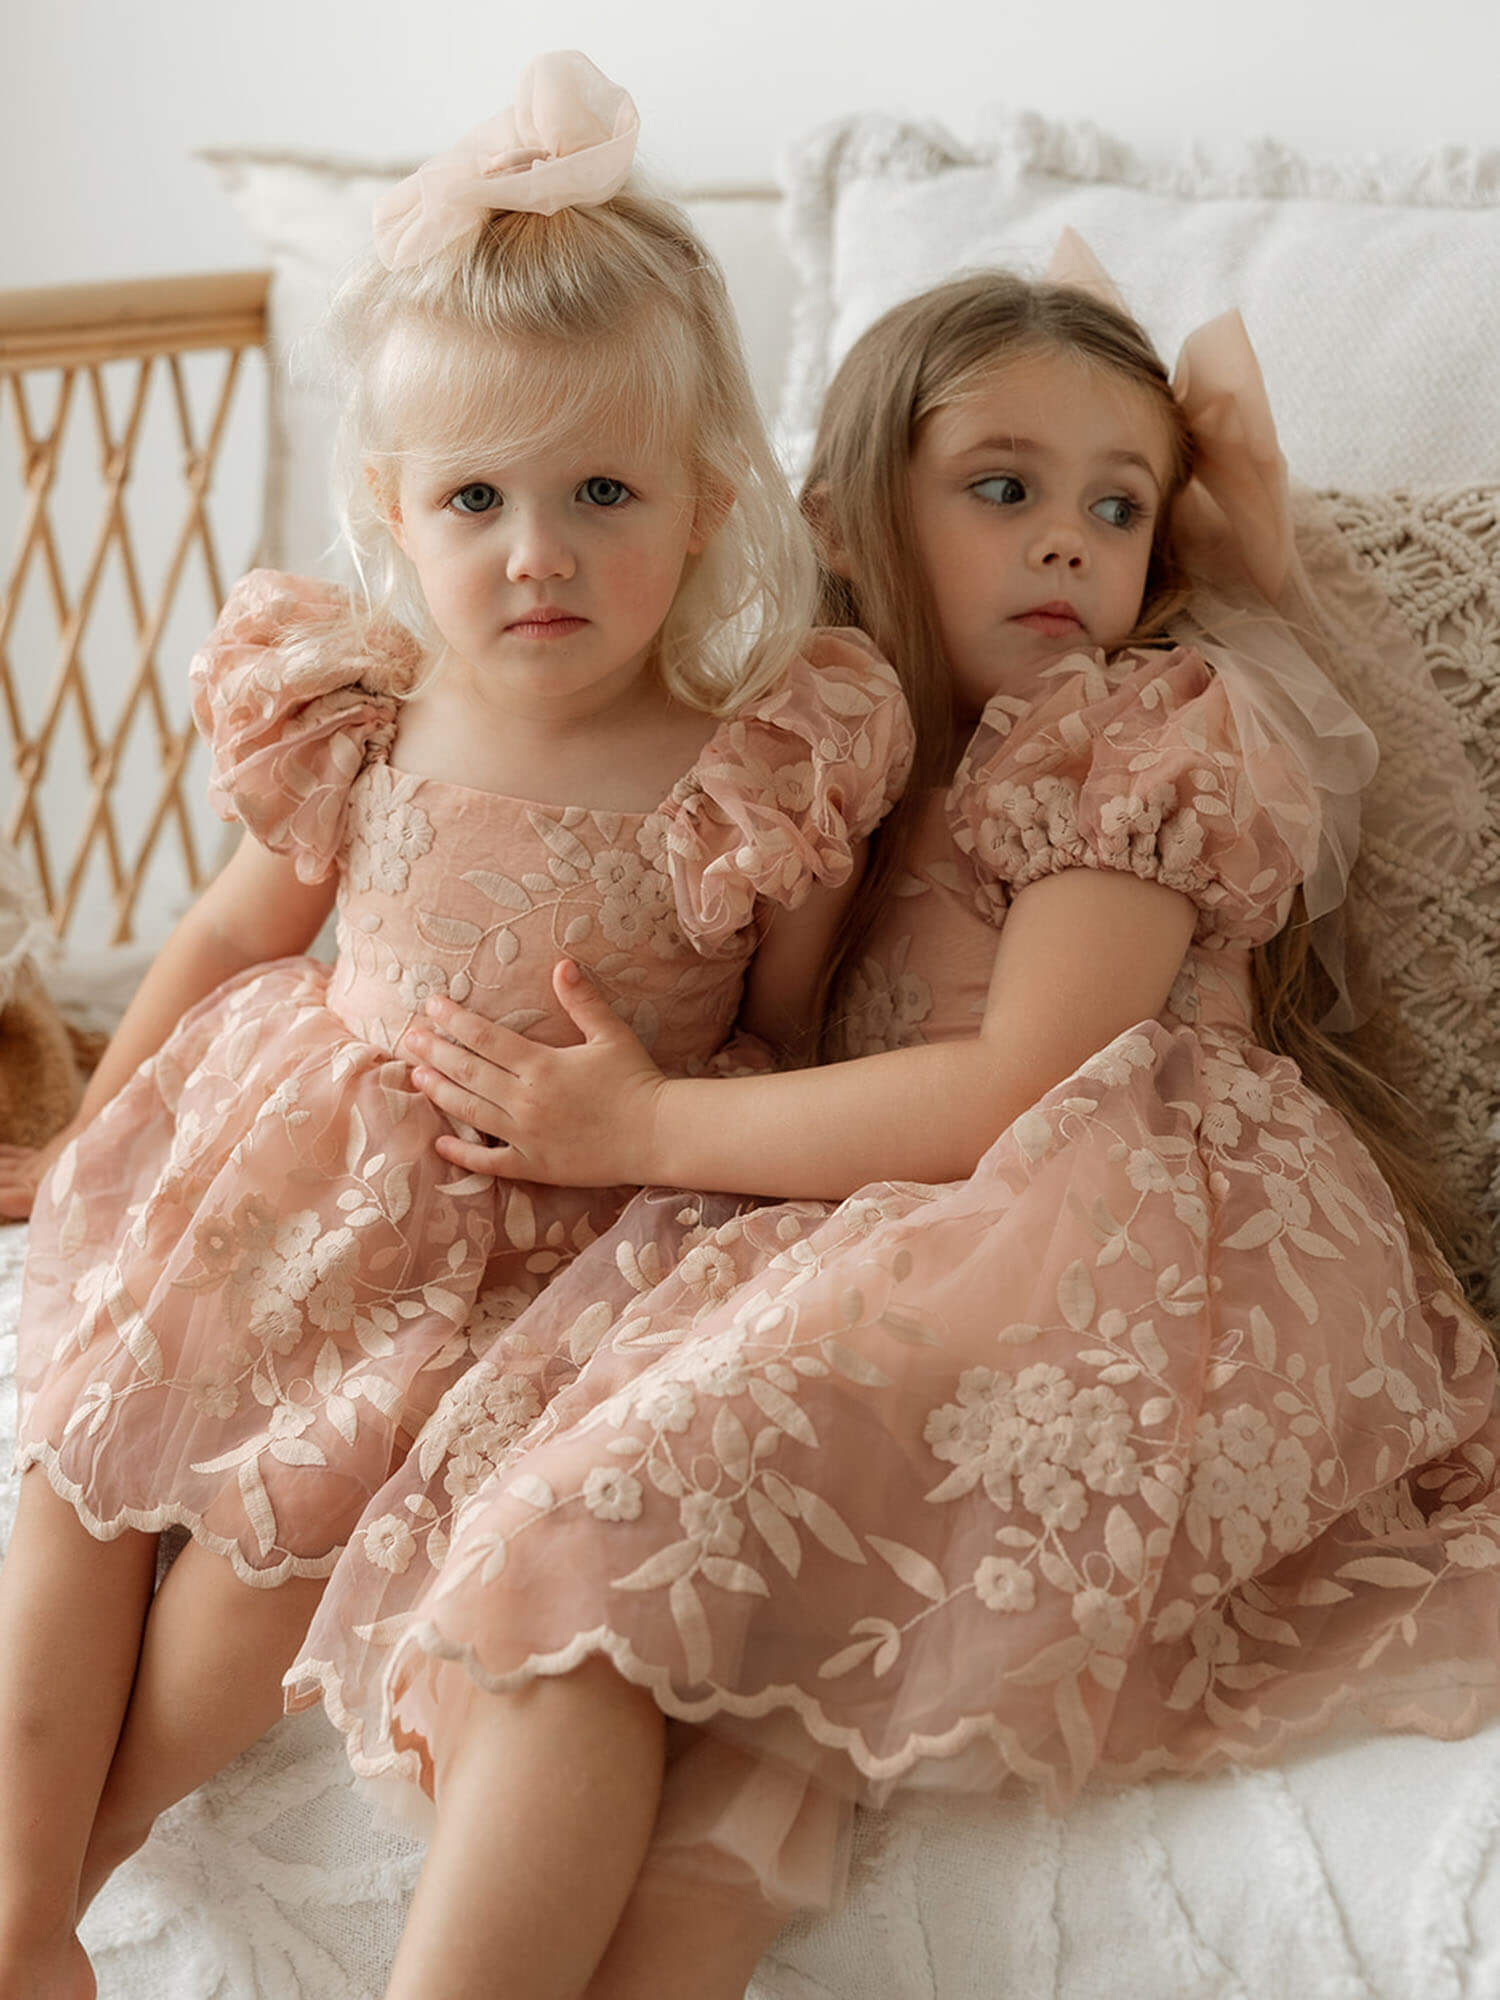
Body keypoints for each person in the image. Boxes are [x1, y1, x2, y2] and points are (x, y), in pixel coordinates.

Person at [287, 231, 1499, 2000]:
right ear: (850, 516)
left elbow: (1026, 1094)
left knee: (607, 1532)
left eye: (1119, 504)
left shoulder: (1139, 727)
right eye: (1003, 487)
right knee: (616, 1638)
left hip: (1122, 1241)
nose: (1069, 540)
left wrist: (632, 1131)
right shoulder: (823, 748)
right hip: (892, 1232)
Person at [0, 53, 914, 2000]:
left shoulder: (758, 762)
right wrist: (95, 1138)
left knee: (259, 1569)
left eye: (601, 491)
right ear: (396, 511)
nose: (538, 550)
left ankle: (84, 1863)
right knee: (84, 1456)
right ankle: (16, 1913)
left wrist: (653, 1116)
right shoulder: (374, 705)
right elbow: (234, 929)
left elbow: (786, 1040)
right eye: (477, 496)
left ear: (705, 499)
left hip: (507, 1235)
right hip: (276, 1161)